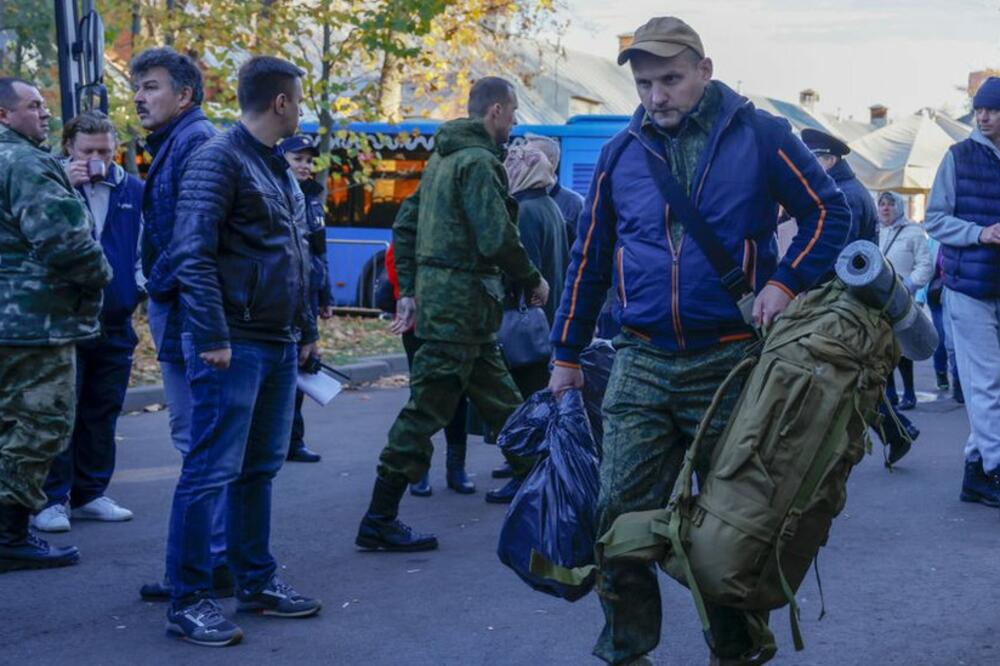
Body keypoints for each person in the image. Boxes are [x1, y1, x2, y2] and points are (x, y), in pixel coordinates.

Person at [546, 17, 851, 665]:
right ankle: (626, 648)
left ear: (705, 70)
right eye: (646, 83)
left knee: (729, 528)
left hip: (734, 361)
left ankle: (736, 649)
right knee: (618, 518)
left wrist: (788, 284)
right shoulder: (621, 152)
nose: (657, 96)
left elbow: (831, 212)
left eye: (672, 79)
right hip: (641, 359)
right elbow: (590, 257)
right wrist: (567, 354)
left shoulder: (763, 135)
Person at [355, 76, 550, 552]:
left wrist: (411, 289)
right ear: (496, 111)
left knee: (506, 406)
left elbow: (404, 223)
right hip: (462, 310)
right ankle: (379, 518)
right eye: (514, 111)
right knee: (427, 411)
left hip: (460, 314)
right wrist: (532, 278)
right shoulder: (479, 163)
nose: (515, 121)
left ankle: (552, 504)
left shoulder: (441, 160)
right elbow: (496, 238)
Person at [165, 56, 322, 646]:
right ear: (281, 102)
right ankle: (188, 599)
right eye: (299, 100)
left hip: (277, 342)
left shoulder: (276, 166)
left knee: (258, 469)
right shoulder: (218, 157)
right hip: (232, 343)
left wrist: (305, 328)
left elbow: (295, 253)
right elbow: (191, 252)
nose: (301, 110)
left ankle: (255, 582)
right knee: (209, 471)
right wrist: (211, 336)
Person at [0, 77, 112, 572]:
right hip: (34, 323)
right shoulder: (25, 163)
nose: (46, 113)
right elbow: (66, 242)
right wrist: (103, 276)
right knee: (39, 426)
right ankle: (11, 535)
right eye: (34, 105)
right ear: (4, 114)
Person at [129, 47, 229, 603]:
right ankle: (211, 561)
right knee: (199, 444)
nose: (139, 98)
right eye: (138, 88)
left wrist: (154, 281)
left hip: (191, 318)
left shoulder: (194, 142)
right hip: (184, 318)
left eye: (150, 87)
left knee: (199, 446)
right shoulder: (179, 142)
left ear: (184, 95)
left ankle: (201, 569)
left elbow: (192, 241)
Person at [31, 112, 144, 533]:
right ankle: (52, 499)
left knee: (103, 409)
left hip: (115, 319)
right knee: (63, 410)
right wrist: (68, 188)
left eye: (105, 150)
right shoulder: (50, 184)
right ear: (69, 149)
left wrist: (136, 289)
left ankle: (91, 493)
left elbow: (142, 247)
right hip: (63, 319)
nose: (98, 158)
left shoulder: (132, 188)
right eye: (88, 151)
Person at [925, 75, 1000, 509]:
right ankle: (995, 468)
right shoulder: (958, 157)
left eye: (992, 110)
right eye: (979, 110)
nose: (984, 117)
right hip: (967, 287)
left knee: (989, 383)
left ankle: (976, 472)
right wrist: (979, 232)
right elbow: (934, 220)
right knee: (986, 381)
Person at [381, 244, 476, 497]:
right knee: (422, 395)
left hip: (455, 319)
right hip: (419, 320)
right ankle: (417, 468)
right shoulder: (418, 210)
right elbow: (396, 256)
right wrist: (407, 297)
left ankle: (457, 468)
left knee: (457, 393)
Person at [279, 134, 333, 464]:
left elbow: (320, 251)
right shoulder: (277, 192)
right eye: (297, 159)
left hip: (308, 296)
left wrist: (326, 295)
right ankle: (276, 438)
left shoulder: (313, 198)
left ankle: (293, 440)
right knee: (284, 366)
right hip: (283, 294)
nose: (305, 166)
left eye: (309, 160)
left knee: (302, 365)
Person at [502, 142, 570, 398]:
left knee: (524, 399)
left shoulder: (526, 210)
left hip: (528, 324)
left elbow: (524, 268)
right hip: (546, 318)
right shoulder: (548, 205)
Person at [877, 191, 933, 411]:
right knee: (883, 347)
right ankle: (890, 393)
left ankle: (909, 392)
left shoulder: (913, 232)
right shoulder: (875, 231)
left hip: (903, 299)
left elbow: (925, 265)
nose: (886, 208)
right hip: (878, 299)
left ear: (898, 207)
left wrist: (910, 285)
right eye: (882, 204)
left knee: (902, 347)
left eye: (890, 204)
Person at [801, 128, 878, 243]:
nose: (807, 165)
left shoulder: (845, 195)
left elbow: (839, 247)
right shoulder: (841, 189)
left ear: (831, 160)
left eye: (813, 159)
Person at [525, 133, 585, 243]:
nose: (524, 163)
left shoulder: (574, 204)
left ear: (551, 162)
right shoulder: (517, 199)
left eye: (530, 157)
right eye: (523, 157)